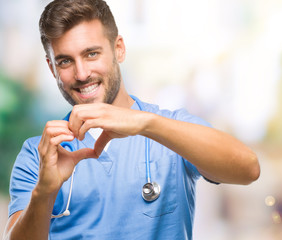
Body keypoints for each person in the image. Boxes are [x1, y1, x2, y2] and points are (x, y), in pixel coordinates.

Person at [3, 0, 260, 239]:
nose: (81, 74)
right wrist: (44, 191)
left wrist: (146, 124)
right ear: (52, 68)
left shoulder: (169, 129)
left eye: (91, 54)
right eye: (66, 61)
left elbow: (248, 169)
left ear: (119, 49)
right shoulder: (39, 155)